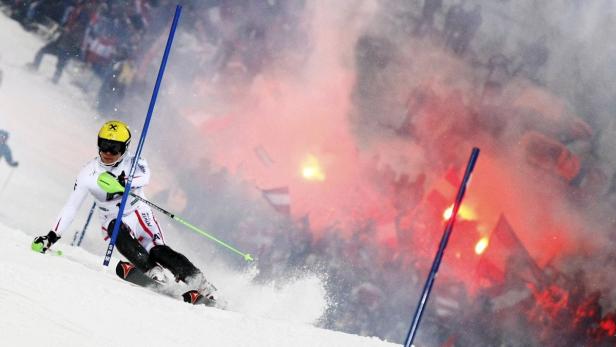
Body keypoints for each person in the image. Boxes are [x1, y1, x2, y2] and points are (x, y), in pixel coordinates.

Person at [32, 120, 216, 300]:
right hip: (111, 216)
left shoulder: (134, 162)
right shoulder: (88, 173)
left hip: (138, 212)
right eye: (104, 145)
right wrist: (52, 236)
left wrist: (125, 182)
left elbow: (145, 176)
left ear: (125, 148)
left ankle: (201, 284)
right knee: (116, 230)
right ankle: (152, 271)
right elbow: (71, 206)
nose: (108, 153)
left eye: (115, 148)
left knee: (158, 251)